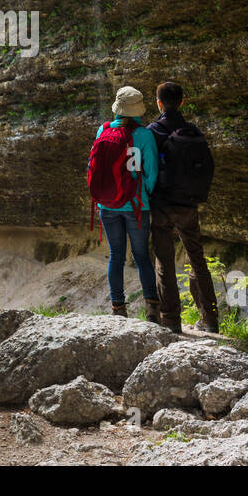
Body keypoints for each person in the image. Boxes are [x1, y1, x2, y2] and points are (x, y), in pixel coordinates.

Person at [147, 81, 220, 333]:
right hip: (189, 205)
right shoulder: (192, 130)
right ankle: (210, 320)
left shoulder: (153, 131)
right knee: (197, 259)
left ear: (158, 103)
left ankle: (171, 321)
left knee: (164, 260)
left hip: (162, 206)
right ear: (182, 102)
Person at [89, 86, 161, 320]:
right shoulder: (145, 135)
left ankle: (118, 309)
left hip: (108, 206)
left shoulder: (103, 129)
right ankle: (152, 310)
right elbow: (151, 171)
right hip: (137, 206)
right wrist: (144, 194)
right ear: (137, 109)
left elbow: (94, 166)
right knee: (141, 256)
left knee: (116, 255)